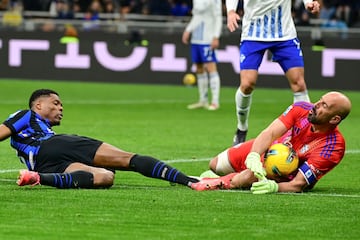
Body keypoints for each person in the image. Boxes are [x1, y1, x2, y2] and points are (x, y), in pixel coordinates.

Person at [0, 89, 199, 189]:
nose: (60, 108)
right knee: (127, 159)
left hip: (43, 166)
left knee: (105, 177)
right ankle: (188, 180)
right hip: (53, 146)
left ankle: (36, 179)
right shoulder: (27, 115)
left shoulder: (39, 129)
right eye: (55, 103)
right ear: (38, 106)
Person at [191, 91, 352, 194]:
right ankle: (225, 176)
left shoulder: (333, 146)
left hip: (286, 172)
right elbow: (270, 132)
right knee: (215, 165)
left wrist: (274, 187)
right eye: (320, 100)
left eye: (324, 105)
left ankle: (212, 183)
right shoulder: (301, 108)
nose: (316, 105)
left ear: (335, 119)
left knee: (247, 177)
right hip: (271, 149)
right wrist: (254, 155)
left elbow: (298, 184)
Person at [225, 0, 321, 144]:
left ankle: (304, 133)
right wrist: (231, 11)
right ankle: (241, 128)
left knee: (299, 84)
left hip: (284, 35)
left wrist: (308, 3)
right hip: (253, 34)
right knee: (247, 84)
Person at [182, 0, 223, 111]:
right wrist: (188, 30)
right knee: (199, 68)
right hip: (196, 38)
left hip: (207, 38)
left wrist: (216, 36)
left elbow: (218, 17)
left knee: (211, 67)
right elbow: (197, 16)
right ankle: (203, 100)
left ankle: (215, 102)